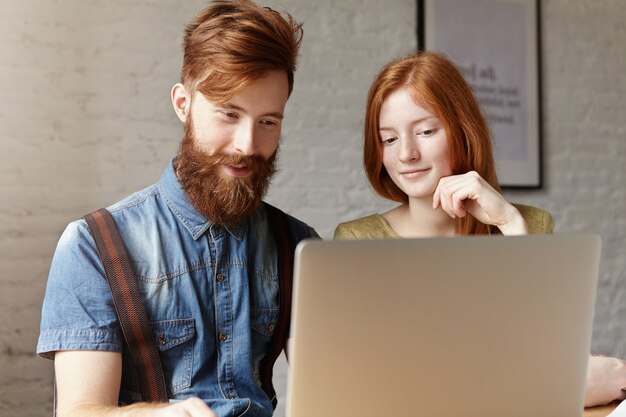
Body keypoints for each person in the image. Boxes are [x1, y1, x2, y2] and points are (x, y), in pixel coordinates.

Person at [37, 1, 317, 416]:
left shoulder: (298, 246)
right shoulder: (92, 246)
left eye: (268, 122)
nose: (246, 144)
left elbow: (338, 394)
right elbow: (81, 412)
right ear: (183, 103)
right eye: (229, 114)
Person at [334, 50, 626, 407]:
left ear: (462, 131)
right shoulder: (357, 242)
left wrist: (509, 223)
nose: (406, 153)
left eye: (425, 131)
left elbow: (551, 355)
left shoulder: (530, 226)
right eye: (389, 139)